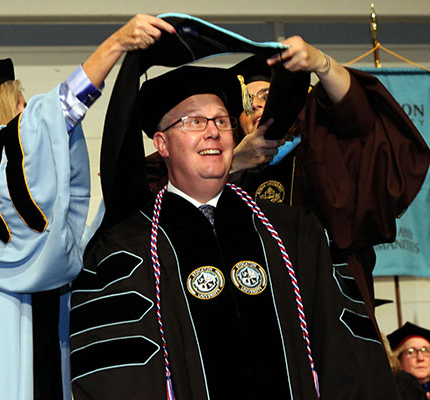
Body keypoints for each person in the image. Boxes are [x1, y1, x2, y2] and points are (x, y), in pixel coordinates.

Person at [70, 64, 399, 399]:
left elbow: (346, 351)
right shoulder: (128, 247)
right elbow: (115, 373)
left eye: (221, 121)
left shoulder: (294, 233)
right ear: (162, 144)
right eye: (195, 122)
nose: (212, 132)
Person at [0, 14, 175, 400]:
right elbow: (37, 133)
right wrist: (113, 48)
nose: (31, 121)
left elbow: (66, 249)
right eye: (22, 108)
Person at [227, 36, 430, 322]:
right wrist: (234, 162)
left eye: (266, 95)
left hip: (332, 306)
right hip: (265, 315)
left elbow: (357, 119)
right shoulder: (230, 175)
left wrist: (322, 64)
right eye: (247, 103)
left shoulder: (321, 151)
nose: (257, 107)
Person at [387, 322, 430, 399]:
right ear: (398, 359)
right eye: (411, 352)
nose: (420, 358)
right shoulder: (392, 391)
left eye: (425, 350)